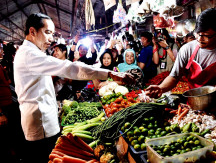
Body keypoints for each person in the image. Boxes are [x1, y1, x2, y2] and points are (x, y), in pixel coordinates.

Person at [13, 13, 134, 163]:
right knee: (45, 157)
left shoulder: (32, 53)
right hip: (41, 125)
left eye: (52, 33)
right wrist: (109, 74)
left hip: (43, 121)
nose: (51, 39)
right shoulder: (29, 54)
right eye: (47, 32)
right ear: (32, 32)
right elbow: (69, 68)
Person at [146, 8, 216, 113]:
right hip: (194, 106)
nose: (200, 39)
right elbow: (174, 77)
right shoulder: (187, 49)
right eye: (198, 33)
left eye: (206, 35)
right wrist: (161, 88)